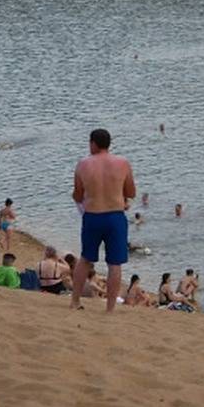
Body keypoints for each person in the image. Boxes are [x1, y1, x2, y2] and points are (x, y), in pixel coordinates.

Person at [70, 128, 135, 313]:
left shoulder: (83, 164)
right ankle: (110, 308)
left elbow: (78, 194)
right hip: (115, 216)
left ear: (93, 143)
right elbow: (131, 192)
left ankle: (75, 301)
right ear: (109, 144)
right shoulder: (122, 163)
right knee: (114, 264)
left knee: (85, 259)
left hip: (92, 216)